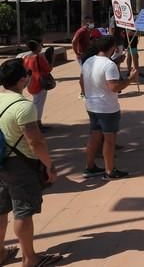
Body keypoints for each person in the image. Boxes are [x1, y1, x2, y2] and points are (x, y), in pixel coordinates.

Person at [0, 59, 61, 266]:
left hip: (0, 161)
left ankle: (0, 253)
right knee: (23, 211)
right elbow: (35, 142)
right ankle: (30, 258)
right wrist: (49, 165)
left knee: (1, 208)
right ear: (22, 79)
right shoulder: (23, 107)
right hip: (20, 165)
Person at [81, 35, 137, 180]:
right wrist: (130, 79)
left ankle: (89, 167)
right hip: (107, 108)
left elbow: (81, 81)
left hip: (92, 105)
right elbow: (114, 87)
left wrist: (88, 95)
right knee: (109, 140)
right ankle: (110, 170)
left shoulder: (89, 61)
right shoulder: (109, 65)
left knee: (94, 137)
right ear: (112, 48)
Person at [22, 41, 53, 132]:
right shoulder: (39, 57)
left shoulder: (26, 57)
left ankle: (37, 123)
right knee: (39, 105)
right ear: (36, 47)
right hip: (40, 83)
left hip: (31, 83)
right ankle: (37, 124)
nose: (41, 46)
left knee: (36, 103)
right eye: (39, 45)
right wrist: (51, 61)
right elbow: (48, 69)